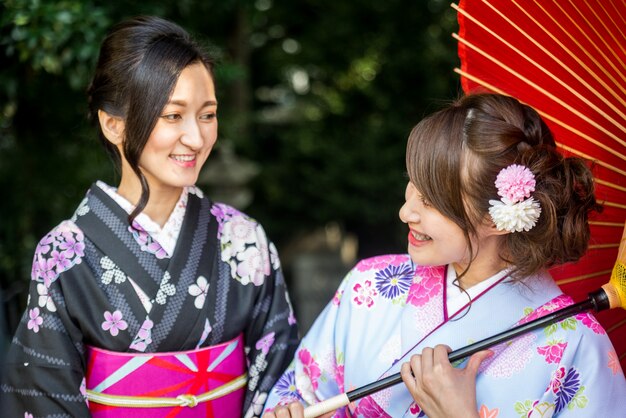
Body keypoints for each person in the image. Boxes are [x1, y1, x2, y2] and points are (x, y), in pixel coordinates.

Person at [0, 16, 299, 418]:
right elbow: (43, 396)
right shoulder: (65, 253)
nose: (195, 137)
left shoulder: (243, 239)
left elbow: (279, 377)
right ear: (114, 124)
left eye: (207, 115)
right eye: (173, 116)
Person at [262, 93, 626, 417]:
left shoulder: (574, 348)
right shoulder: (370, 285)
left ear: (498, 218)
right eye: (412, 183)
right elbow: (300, 391)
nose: (407, 212)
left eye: (431, 200)